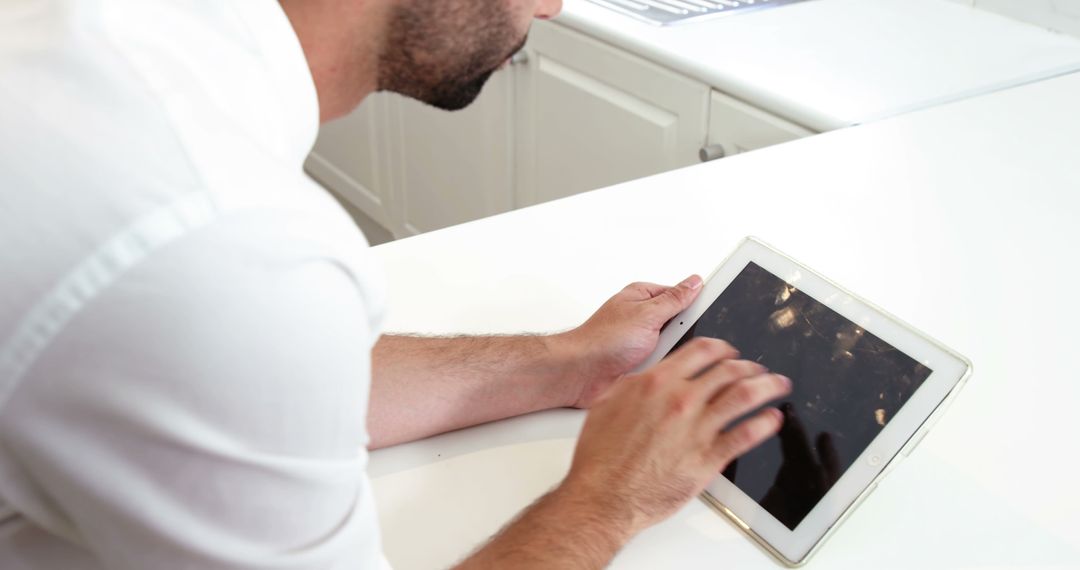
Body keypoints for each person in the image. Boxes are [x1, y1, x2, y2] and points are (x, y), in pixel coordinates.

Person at [0, 0, 792, 568]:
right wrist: (611, 497)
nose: (550, 8)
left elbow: (207, 370)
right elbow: (224, 312)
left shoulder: (108, 44)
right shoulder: (223, 238)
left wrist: (564, 361)